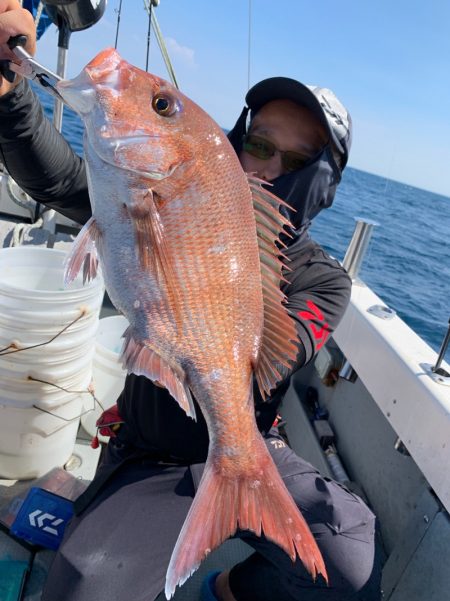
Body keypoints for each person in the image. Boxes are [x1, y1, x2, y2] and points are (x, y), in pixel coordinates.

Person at [0, 3, 382, 600]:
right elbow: (57, 180)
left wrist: (209, 280)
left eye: (300, 162)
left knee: (350, 561)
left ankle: (226, 588)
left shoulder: (325, 280)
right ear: (234, 142)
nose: (270, 167)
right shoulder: (157, 191)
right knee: (79, 589)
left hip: (249, 444)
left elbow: (278, 355)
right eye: (257, 144)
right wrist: (9, 95)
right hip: (150, 452)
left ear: (322, 186)